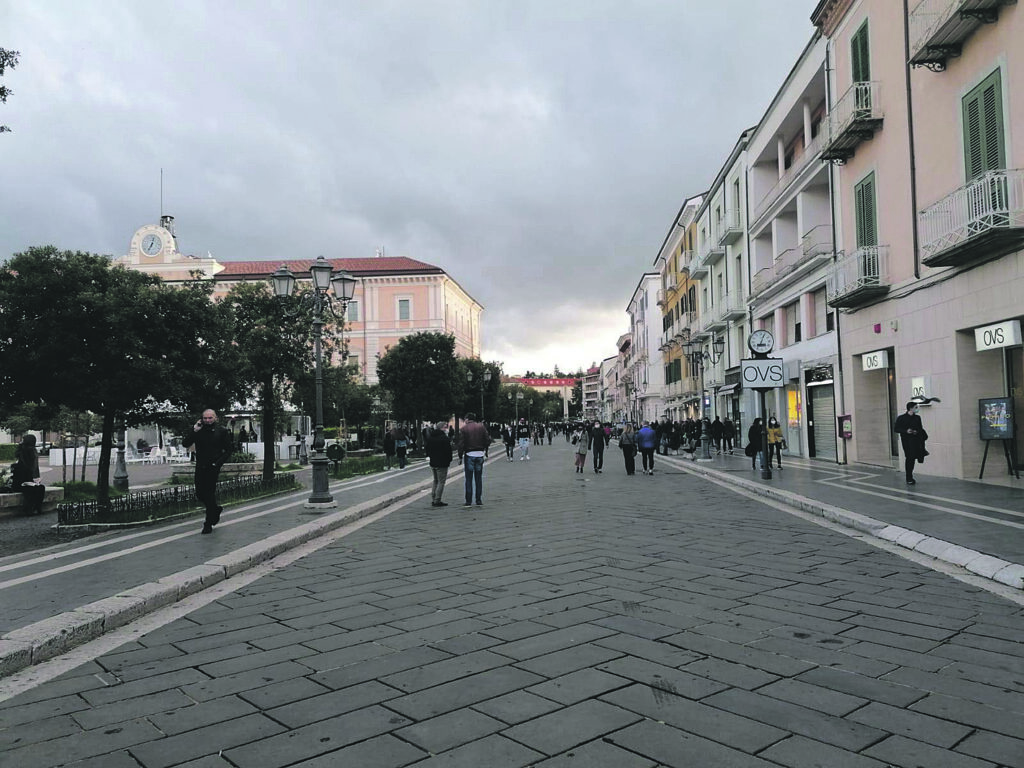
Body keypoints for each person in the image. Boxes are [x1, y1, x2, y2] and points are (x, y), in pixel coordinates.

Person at [182, 409, 233, 533]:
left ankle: (208, 523)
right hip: (200, 466)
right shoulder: (198, 431)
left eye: (210, 418)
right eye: (205, 418)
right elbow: (185, 443)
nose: (207, 420)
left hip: (213, 467)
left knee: (209, 494)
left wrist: (218, 463)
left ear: (215, 418)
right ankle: (215, 510)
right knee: (200, 493)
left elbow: (229, 450)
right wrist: (194, 431)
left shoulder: (222, 431)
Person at [459, 413, 491, 506]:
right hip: (480, 454)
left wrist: (460, 456)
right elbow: (487, 440)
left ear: (467, 419)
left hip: (469, 454)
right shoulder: (481, 427)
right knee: (478, 478)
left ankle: (468, 501)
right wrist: (485, 450)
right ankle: (478, 500)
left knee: (468, 479)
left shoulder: (464, 429)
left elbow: (461, 444)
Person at [894, 401, 928, 485]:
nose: (917, 409)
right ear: (910, 408)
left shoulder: (917, 418)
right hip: (907, 441)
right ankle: (909, 477)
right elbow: (896, 429)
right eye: (916, 407)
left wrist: (916, 431)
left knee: (914, 458)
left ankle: (910, 476)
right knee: (909, 458)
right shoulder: (901, 418)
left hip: (917, 441)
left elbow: (920, 428)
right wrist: (906, 431)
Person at [11, 434, 45, 515]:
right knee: (31, 490)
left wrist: (35, 480)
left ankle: (37, 507)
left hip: (28, 481)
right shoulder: (23, 454)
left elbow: (34, 471)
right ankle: (29, 509)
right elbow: (19, 477)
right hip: (20, 483)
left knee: (41, 488)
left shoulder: (32, 453)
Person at [425, 421, 453, 507]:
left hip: (433, 462)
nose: (446, 429)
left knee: (435, 481)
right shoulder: (444, 438)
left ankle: (433, 498)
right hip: (442, 463)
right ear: (441, 428)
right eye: (445, 427)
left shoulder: (431, 437)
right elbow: (448, 451)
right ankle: (437, 500)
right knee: (441, 482)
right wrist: (449, 460)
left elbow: (427, 450)